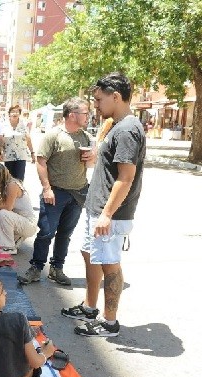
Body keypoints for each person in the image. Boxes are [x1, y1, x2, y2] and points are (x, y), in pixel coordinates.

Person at [61, 73, 146, 337]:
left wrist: (107, 214)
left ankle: (110, 323)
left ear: (116, 97)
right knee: (91, 255)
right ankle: (90, 307)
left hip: (109, 213)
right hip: (97, 208)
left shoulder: (128, 129)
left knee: (110, 265)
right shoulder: (115, 125)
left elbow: (126, 177)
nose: (96, 105)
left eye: (99, 99)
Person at [18, 97, 94, 286]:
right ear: (71, 115)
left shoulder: (85, 136)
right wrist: (47, 189)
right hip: (55, 193)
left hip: (78, 194)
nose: (88, 116)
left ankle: (56, 268)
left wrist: (92, 156)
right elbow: (41, 162)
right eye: (85, 113)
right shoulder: (54, 135)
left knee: (65, 234)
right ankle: (36, 267)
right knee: (46, 232)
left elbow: (91, 164)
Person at [0, 162, 37, 255]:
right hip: (18, 220)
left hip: (28, 224)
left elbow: (8, 207)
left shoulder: (12, 185)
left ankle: (9, 247)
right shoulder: (7, 184)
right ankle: (16, 238)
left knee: (4, 213)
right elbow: (7, 202)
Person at [1, 105, 35, 181]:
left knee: (19, 180)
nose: (14, 113)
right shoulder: (4, 125)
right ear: (9, 113)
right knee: (8, 180)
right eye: (12, 111)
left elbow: (28, 140)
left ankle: (19, 193)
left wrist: (32, 153)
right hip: (8, 156)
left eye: (17, 112)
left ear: (19, 114)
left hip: (21, 156)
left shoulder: (24, 124)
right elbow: (0, 140)